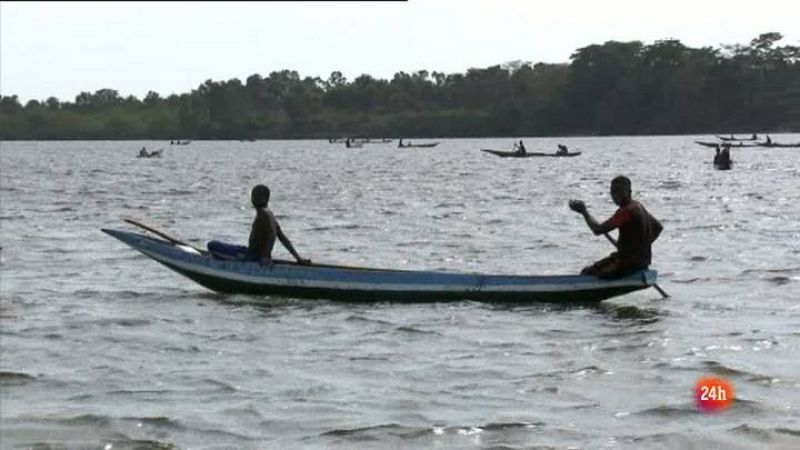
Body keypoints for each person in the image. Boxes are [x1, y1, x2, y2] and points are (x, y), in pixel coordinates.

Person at [568, 176, 662, 279]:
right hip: (642, 263)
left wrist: (584, 212)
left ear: (629, 192)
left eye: (619, 192)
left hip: (626, 265)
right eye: (613, 192)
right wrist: (639, 247)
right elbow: (658, 227)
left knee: (587, 274)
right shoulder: (639, 206)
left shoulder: (626, 211)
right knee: (589, 269)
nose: (615, 196)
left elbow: (597, 230)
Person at [247, 184, 311, 266]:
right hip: (254, 254)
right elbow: (282, 238)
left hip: (254, 256)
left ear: (265, 199)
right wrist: (298, 258)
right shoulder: (269, 214)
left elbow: (272, 235)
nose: (253, 199)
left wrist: (265, 256)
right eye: (252, 196)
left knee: (225, 250)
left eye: (255, 196)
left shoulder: (263, 213)